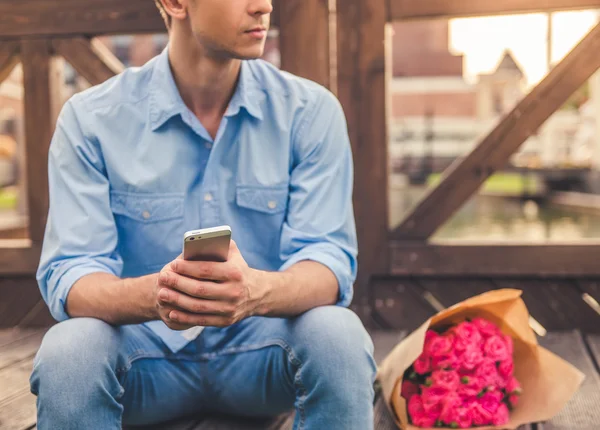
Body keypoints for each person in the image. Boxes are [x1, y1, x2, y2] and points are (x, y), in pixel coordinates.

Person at [30, 0, 376, 429]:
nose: (264, 5)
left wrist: (255, 292)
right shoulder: (90, 120)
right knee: (69, 351)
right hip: (145, 361)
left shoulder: (310, 112)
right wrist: (161, 296)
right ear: (175, 3)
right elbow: (73, 275)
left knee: (339, 335)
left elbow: (329, 264)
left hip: (260, 357)